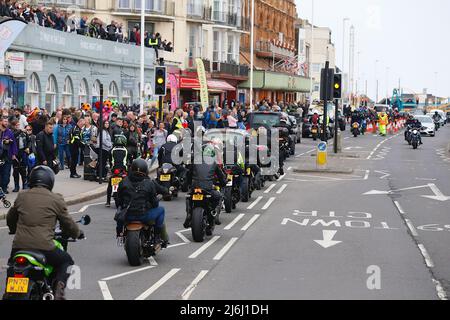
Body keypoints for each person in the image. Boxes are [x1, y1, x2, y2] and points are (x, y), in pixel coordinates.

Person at [6, 166, 83, 300]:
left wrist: (13, 229)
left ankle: (9, 291)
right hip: (44, 246)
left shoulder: (22, 195)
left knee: (12, 266)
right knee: (66, 261)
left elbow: (10, 218)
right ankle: (59, 291)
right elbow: (68, 222)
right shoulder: (56, 199)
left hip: (19, 246)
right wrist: (77, 233)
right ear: (50, 181)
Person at [116, 159, 170, 246]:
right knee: (161, 210)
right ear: (145, 170)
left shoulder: (123, 182)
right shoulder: (149, 183)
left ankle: (119, 235)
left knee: (119, 212)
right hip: (143, 215)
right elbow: (154, 203)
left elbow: (118, 200)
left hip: (127, 215)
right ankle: (156, 237)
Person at [184, 142, 228, 230]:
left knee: (189, 197)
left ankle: (189, 214)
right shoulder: (214, 163)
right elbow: (221, 177)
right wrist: (223, 183)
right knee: (219, 196)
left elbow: (188, 175)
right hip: (207, 188)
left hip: (195, 187)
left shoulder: (195, 161)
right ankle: (213, 212)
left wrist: (188, 184)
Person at [11, 120, 30, 192]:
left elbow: (29, 141)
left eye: (18, 125)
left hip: (23, 152)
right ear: (13, 126)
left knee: (23, 169)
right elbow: (13, 136)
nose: (18, 126)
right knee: (16, 170)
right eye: (16, 125)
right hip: (15, 153)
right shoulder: (12, 132)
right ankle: (16, 186)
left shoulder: (24, 132)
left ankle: (24, 184)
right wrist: (20, 130)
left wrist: (27, 147)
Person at [1, 117, 18, 194]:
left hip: (8, 155)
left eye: (7, 121)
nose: (6, 123)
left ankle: (4, 187)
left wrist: (14, 154)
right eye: (4, 121)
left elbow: (14, 143)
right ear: (1, 122)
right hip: (0, 156)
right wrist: (3, 142)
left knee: (7, 173)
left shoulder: (9, 132)